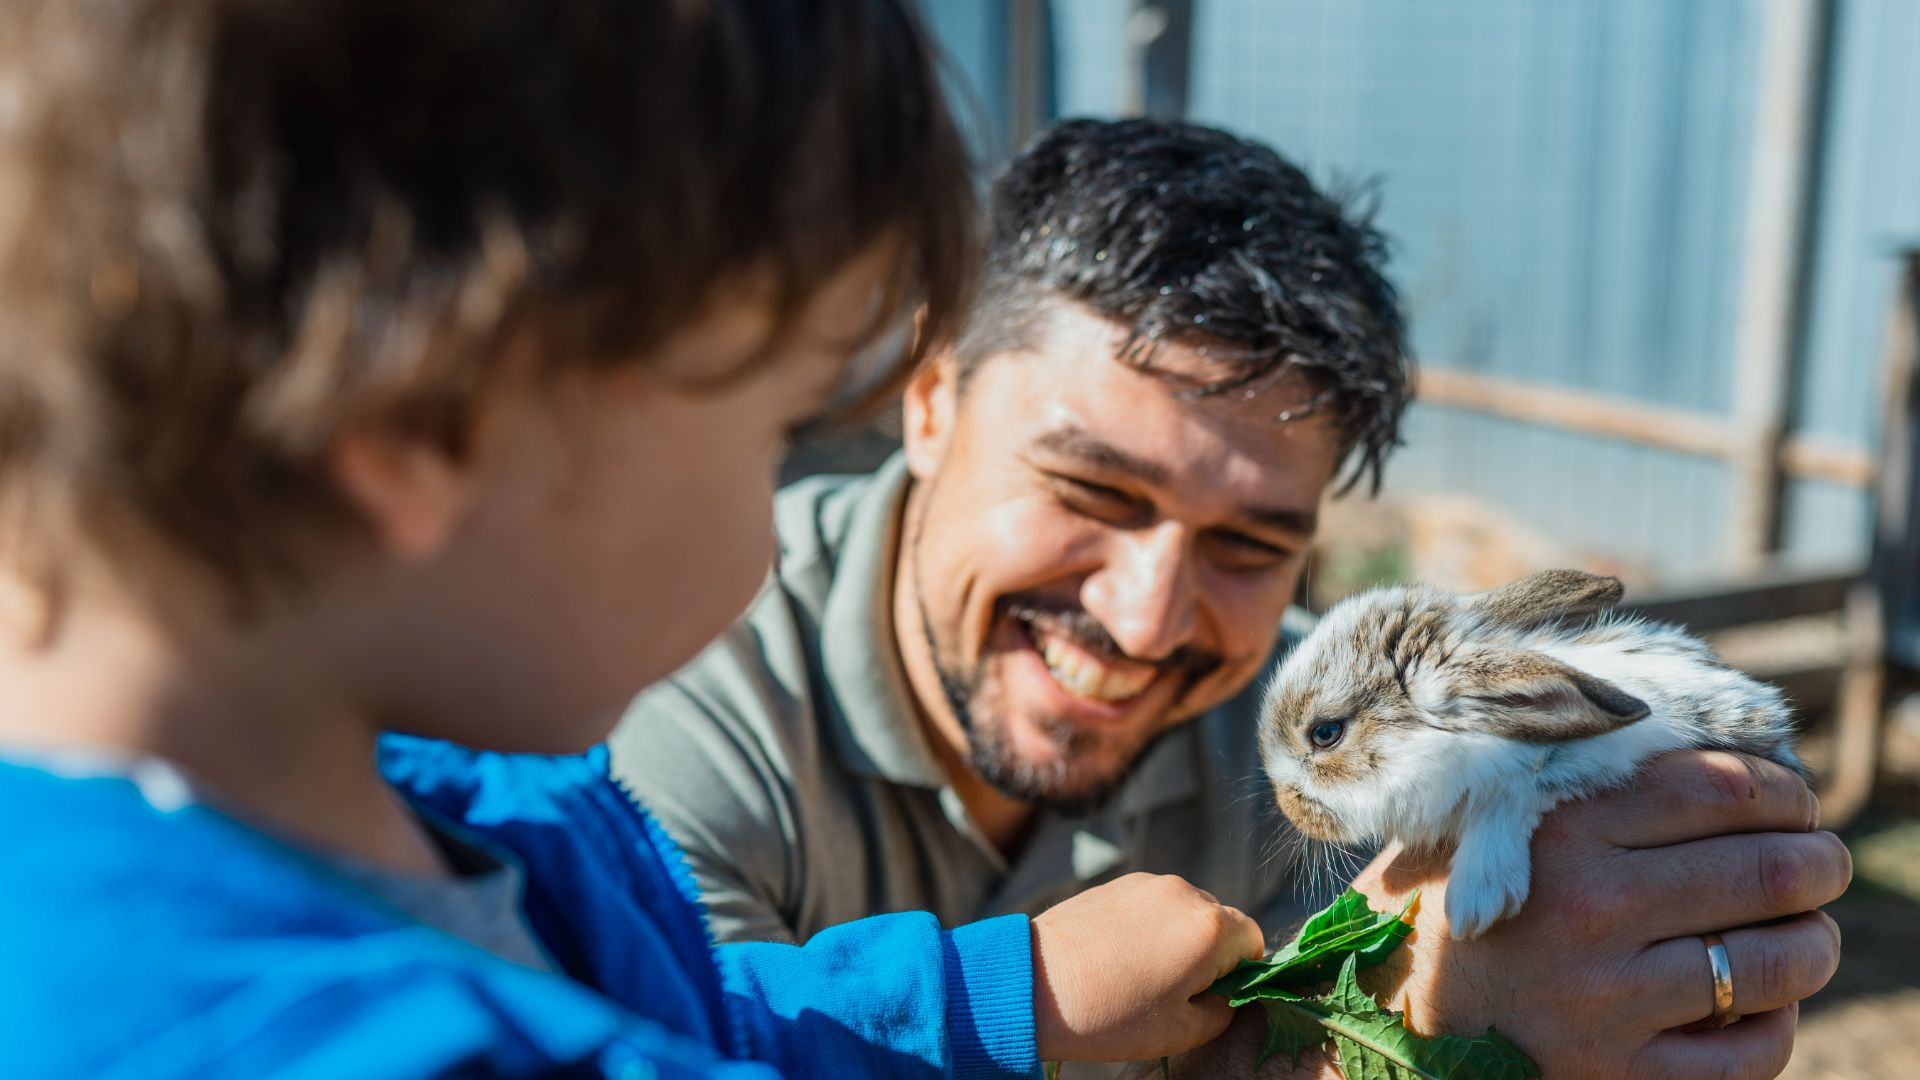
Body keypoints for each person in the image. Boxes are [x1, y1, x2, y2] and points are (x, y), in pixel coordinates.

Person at [0, 4, 1273, 1076]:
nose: (775, 524)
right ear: (431, 415)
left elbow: (692, 1023)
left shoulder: (443, 814)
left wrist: (1003, 1002)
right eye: (776, 429)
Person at [612, 117, 1851, 1078]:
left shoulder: (1328, 732)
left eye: (1251, 546)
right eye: (1090, 490)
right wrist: (1410, 1034)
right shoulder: (642, 711)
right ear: (930, 399)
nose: (1148, 620)